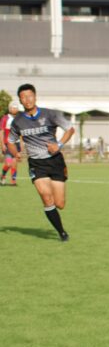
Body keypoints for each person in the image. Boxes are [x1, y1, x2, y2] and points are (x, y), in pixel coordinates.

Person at [6, 84, 75, 241]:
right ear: (20, 101)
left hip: (55, 161)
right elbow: (10, 141)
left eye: (30, 96)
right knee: (46, 197)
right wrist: (16, 153)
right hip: (37, 165)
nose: (27, 99)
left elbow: (70, 129)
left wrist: (59, 145)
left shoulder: (51, 114)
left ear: (35, 97)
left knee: (60, 204)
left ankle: (59, 222)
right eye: (24, 97)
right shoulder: (18, 121)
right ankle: (62, 233)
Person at [1, 101, 20, 186]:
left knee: (14, 164)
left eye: (16, 107)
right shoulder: (5, 118)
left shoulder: (19, 119)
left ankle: (13, 181)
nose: (14, 109)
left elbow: (21, 134)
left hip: (16, 144)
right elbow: (1, 132)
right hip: (7, 144)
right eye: (13, 107)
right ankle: (3, 176)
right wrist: (2, 144)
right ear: (9, 109)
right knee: (8, 163)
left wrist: (21, 146)